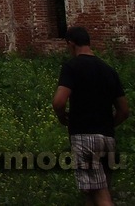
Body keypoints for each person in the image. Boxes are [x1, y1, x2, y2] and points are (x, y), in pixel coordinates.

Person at [52, 26, 129, 206]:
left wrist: (62, 117)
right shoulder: (109, 70)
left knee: (101, 195)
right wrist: (108, 124)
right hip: (108, 138)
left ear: (71, 44)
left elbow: (59, 102)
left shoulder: (72, 67)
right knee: (91, 195)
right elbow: (124, 110)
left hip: (85, 137)